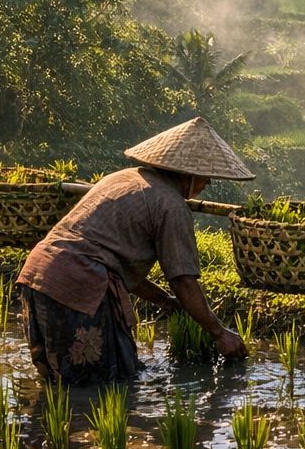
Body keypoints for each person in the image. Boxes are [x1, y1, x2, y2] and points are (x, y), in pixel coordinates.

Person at [16, 117, 252, 384]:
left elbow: (115, 263)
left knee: (57, 381)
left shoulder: (121, 178)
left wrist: (165, 302)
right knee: (106, 384)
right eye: (206, 178)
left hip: (38, 274)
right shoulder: (171, 205)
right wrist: (219, 332)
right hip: (80, 285)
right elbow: (183, 281)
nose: (207, 184)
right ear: (189, 175)